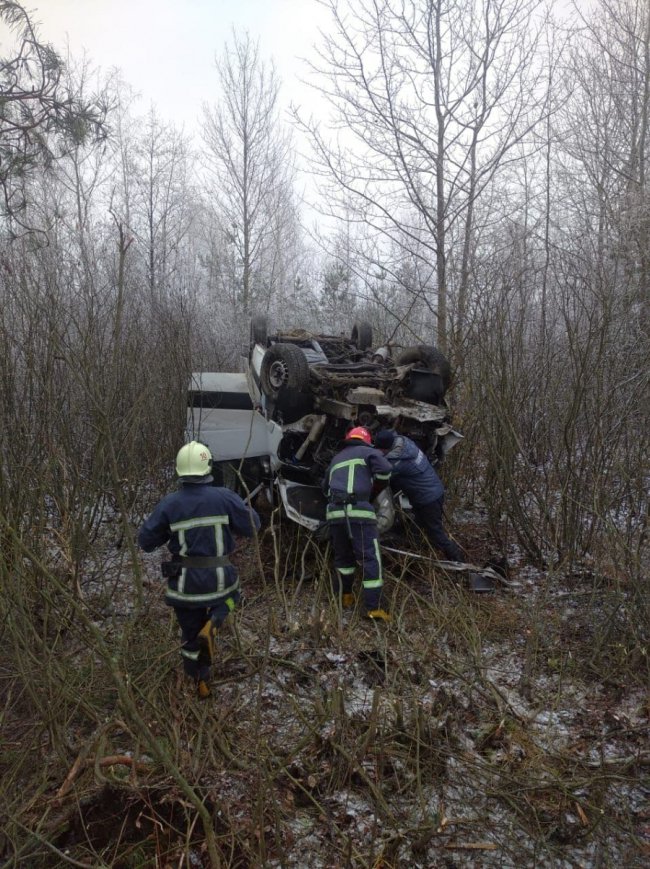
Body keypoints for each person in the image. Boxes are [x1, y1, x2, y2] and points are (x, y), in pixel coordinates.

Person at [138, 441, 260, 699]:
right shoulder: (224, 496)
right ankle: (215, 621)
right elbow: (253, 526)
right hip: (219, 583)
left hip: (185, 587)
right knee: (233, 595)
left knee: (189, 635)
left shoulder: (169, 504)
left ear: (179, 471)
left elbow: (146, 542)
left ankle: (199, 683)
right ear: (208, 468)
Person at [324, 426, 393, 621]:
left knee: (343, 559)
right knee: (370, 559)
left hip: (335, 514)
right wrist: (376, 487)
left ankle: (344, 598)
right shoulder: (369, 452)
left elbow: (324, 486)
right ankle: (374, 608)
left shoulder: (336, 459)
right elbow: (386, 470)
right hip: (359, 512)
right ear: (367, 440)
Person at [374, 429, 465, 563]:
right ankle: (412, 558)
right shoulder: (405, 444)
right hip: (430, 493)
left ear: (387, 448)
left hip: (428, 499)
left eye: (380, 450)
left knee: (436, 533)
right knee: (415, 529)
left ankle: (458, 561)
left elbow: (380, 474)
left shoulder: (398, 462)